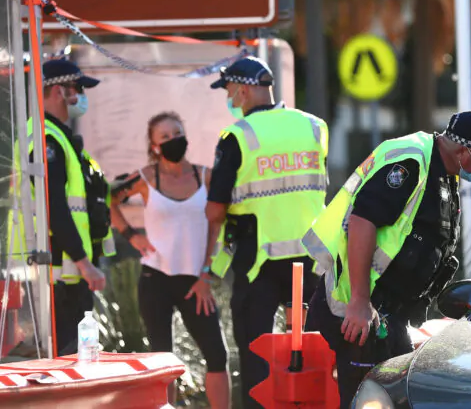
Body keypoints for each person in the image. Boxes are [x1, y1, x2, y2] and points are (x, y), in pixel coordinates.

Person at [302, 110, 471, 407]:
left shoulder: (445, 173)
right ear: (467, 150)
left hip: (388, 317)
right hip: (357, 314)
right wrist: (360, 302)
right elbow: (362, 221)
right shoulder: (412, 163)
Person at [205, 55, 329, 408]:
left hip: (257, 260)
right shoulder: (314, 127)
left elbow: (215, 210)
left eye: (229, 90)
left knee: (256, 355)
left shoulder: (237, 136)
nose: (229, 97)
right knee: (309, 352)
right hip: (310, 261)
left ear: (243, 90)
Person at [109, 112, 231, 409]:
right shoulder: (145, 178)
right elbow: (107, 200)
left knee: (217, 355)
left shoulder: (206, 176)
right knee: (164, 359)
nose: (173, 140)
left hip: (195, 281)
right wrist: (132, 235)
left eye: (177, 133)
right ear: (153, 146)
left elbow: (218, 225)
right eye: (164, 137)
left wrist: (206, 275)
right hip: (156, 278)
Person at [8, 59, 116, 356]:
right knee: (65, 361)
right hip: (52, 273)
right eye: (78, 88)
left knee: (77, 358)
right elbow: (54, 205)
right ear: (57, 91)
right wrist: (85, 263)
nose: (81, 96)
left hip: (64, 274)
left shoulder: (58, 137)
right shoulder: (45, 138)